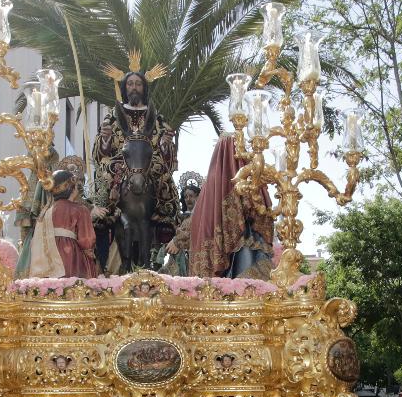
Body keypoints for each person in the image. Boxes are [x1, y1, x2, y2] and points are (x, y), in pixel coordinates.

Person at [91, 58, 181, 273]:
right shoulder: (114, 115)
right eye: (130, 84)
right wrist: (104, 139)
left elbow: (163, 147)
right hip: (120, 161)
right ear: (124, 87)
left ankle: (165, 216)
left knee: (163, 179)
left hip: (149, 162)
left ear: (144, 88)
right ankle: (103, 213)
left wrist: (166, 144)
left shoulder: (156, 116)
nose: (134, 87)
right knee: (105, 177)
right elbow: (101, 150)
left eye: (138, 84)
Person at [189, 135, 274, 279]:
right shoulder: (247, 178)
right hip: (248, 247)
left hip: (236, 252)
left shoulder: (207, 188)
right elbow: (260, 208)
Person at [23, 169, 98, 278]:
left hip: (48, 255)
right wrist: (89, 253)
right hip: (71, 255)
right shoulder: (80, 209)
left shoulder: (45, 212)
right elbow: (86, 239)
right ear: (72, 188)